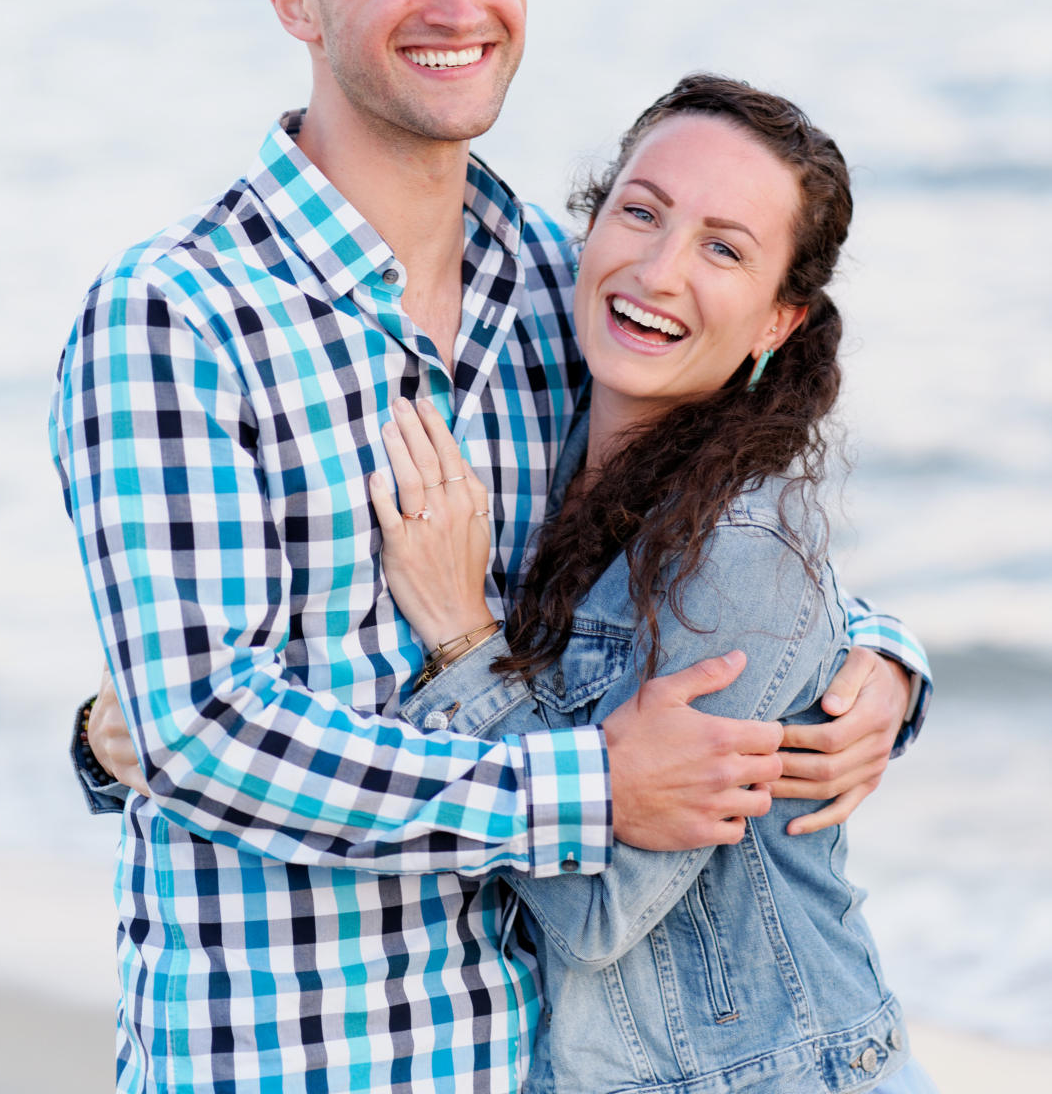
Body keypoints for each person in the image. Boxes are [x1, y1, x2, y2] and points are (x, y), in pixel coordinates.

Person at [54, 0, 929, 1094]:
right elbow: (207, 734)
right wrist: (584, 797)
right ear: (296, 2)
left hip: (531, 1055)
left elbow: (676, 556)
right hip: (293, 1057)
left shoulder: (551, 283)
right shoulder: (178, 315)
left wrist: (877, 659)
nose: (456, 6)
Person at [370, 75, 938, 1091]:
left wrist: (462, 638)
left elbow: (596, 914)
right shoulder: (556, 459)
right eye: (639, 212)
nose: (658, 269)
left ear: (776, 319)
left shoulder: (741, 541)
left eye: (723, 247)